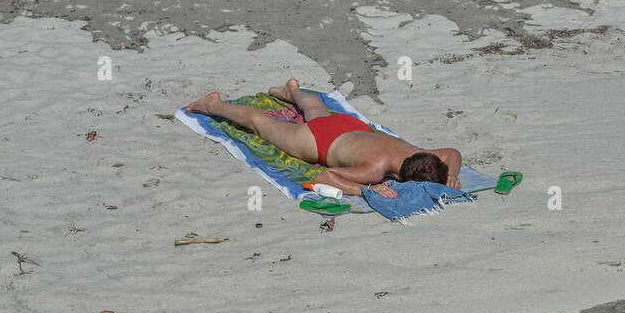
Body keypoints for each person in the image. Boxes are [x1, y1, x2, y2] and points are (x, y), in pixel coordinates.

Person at [187, 78, 462, 197]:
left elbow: (452, 154)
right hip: (318, 141)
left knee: (315, 108)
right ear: (401, 180)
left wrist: (450, 173)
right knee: (260, 124)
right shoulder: (375, 169)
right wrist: (367, 190)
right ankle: (212, 105)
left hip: (347, 125)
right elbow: (325, 176)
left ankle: (291, 91)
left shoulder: (414, 152)